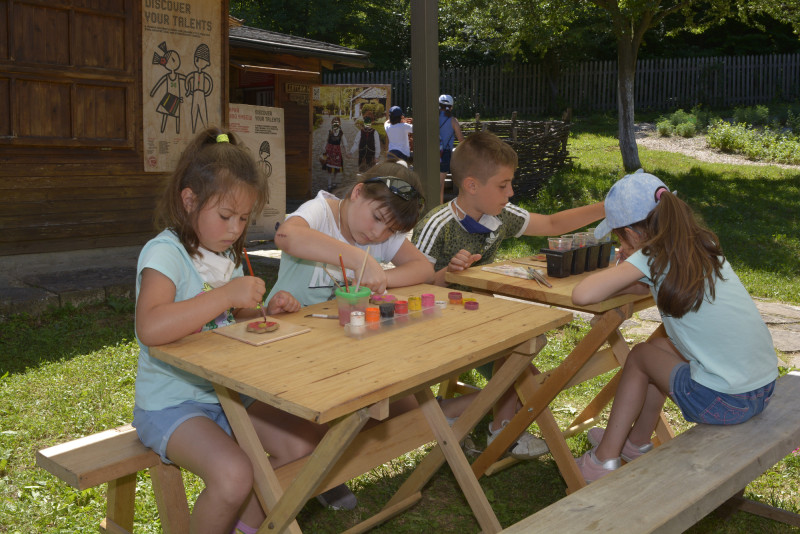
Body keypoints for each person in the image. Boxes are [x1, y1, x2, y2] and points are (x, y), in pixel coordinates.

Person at [132, 127, 340, 534]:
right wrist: (227, 294)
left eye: (243, 219)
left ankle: (244, 527)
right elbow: (151, 327)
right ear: (189, 200)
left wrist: (261, 311)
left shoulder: (223, 253)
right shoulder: (165, 253)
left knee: (303, 447)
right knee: (233, 475)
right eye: (226, 216)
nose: (234, 228)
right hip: (172, 403)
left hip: (229, 394)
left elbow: (228, 318)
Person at [571, 170, 778, 483]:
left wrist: (625, 264)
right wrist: (628, 272)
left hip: (725, 401)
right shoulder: (702, 244)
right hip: (760, 389)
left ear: (632, 234)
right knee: (659, 348)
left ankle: (603, 459)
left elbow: (583, 295)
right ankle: (636, 442)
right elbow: (649, 285)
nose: (620, 245)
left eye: (618, 239)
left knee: (640, 356)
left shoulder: (649, 255)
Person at [412, 130, 605, 460]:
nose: (511, 192)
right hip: (435, 324)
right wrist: (446, 274)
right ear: (472, 185)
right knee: (525, 369)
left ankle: (481, 420)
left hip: (479, 315)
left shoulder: (499, 215)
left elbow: (552, 224)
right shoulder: (437, 224)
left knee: (528, 370)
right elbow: (410, 288)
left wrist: (607, 207)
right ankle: (481, 422)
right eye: (503, 185)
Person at [438, 94, 464, 204]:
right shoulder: (453, 121)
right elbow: (461, 140)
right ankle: (439, 207)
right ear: (451, 107)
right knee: (440, 183)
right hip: (445, 154)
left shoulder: (432, 118)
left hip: (432, 152)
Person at [323, 117, 348, 191]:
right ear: (332, 123)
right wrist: (324, 148)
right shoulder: (329, 132)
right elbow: (326, 141)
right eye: (334, 122)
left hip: (337, 153)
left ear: (339, 123)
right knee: (329, 169)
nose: (335, 124)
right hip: (329, 152)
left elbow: (344, 143)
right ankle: (329, 184)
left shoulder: (341, 133)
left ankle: (334, 182)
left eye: (337, 122)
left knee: (336, 169)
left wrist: (346, 151)